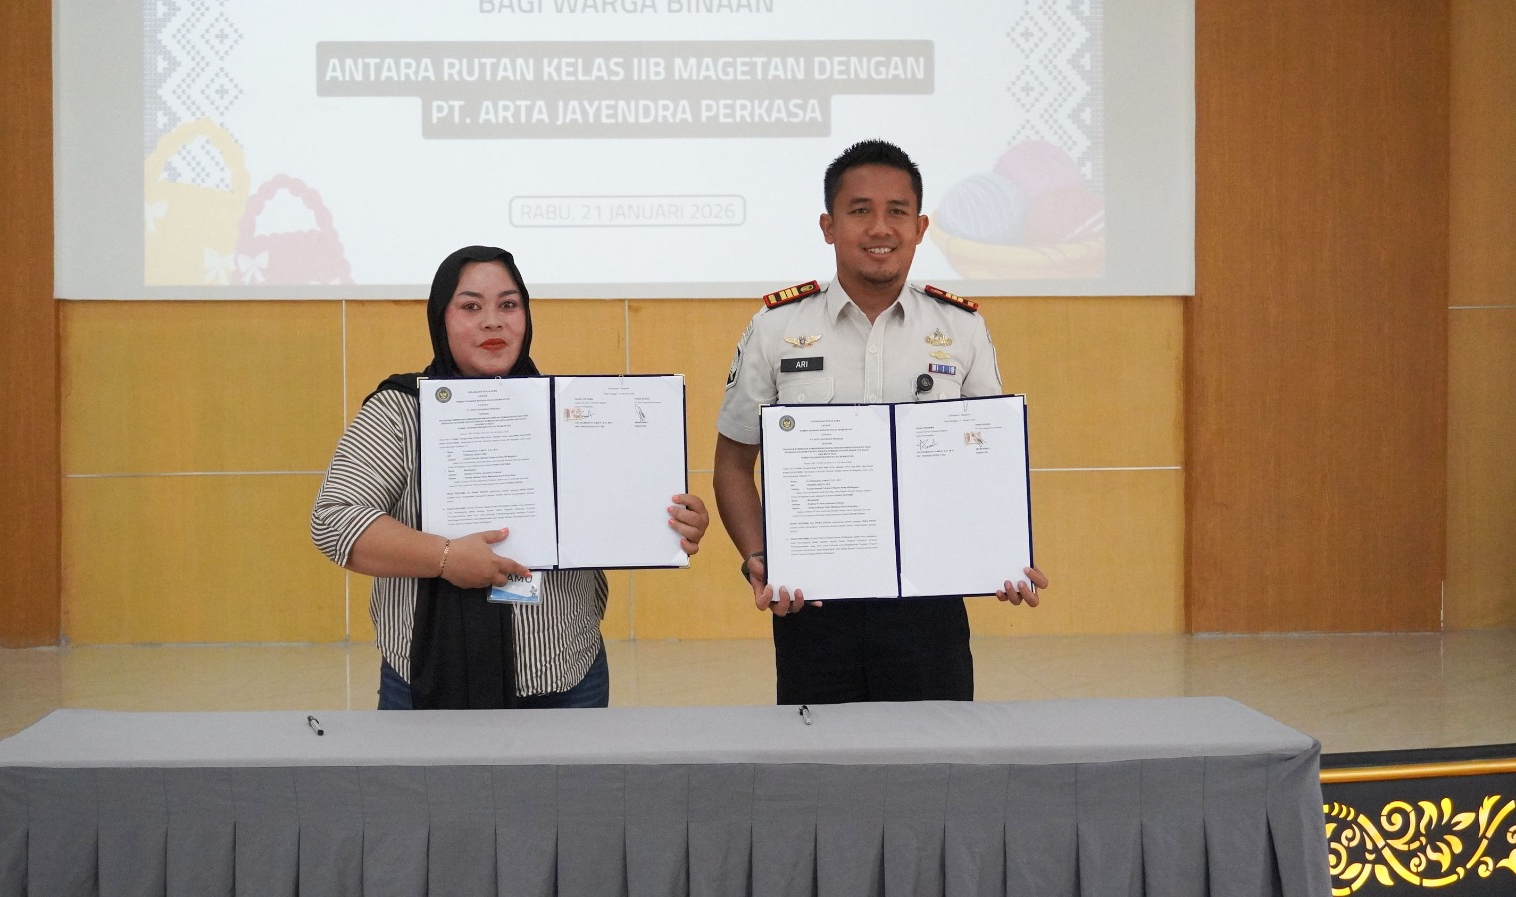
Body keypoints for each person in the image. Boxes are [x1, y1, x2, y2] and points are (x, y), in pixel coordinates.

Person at [712, 140, 1048, 705]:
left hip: (930, 603)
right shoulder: (776, 327)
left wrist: (1002, 554)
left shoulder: (960, 328)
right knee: (818, 754)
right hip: (811, 602)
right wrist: (758, 557)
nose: (880, 228)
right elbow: (732, 464)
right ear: (828, 226)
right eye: (860, 210)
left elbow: (987, 461)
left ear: (920, 227)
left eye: (897, 211)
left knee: (934, 751)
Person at [312, 245, 710, 710]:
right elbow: (334, 521)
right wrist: (445, 558)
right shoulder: (401, 410)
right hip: (428, 675)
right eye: (470, 307)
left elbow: (612, 508)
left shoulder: (570, 411)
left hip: (565, 669)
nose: (492, 322)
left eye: (508, 304)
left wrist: (672, 522)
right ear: (441, 319)